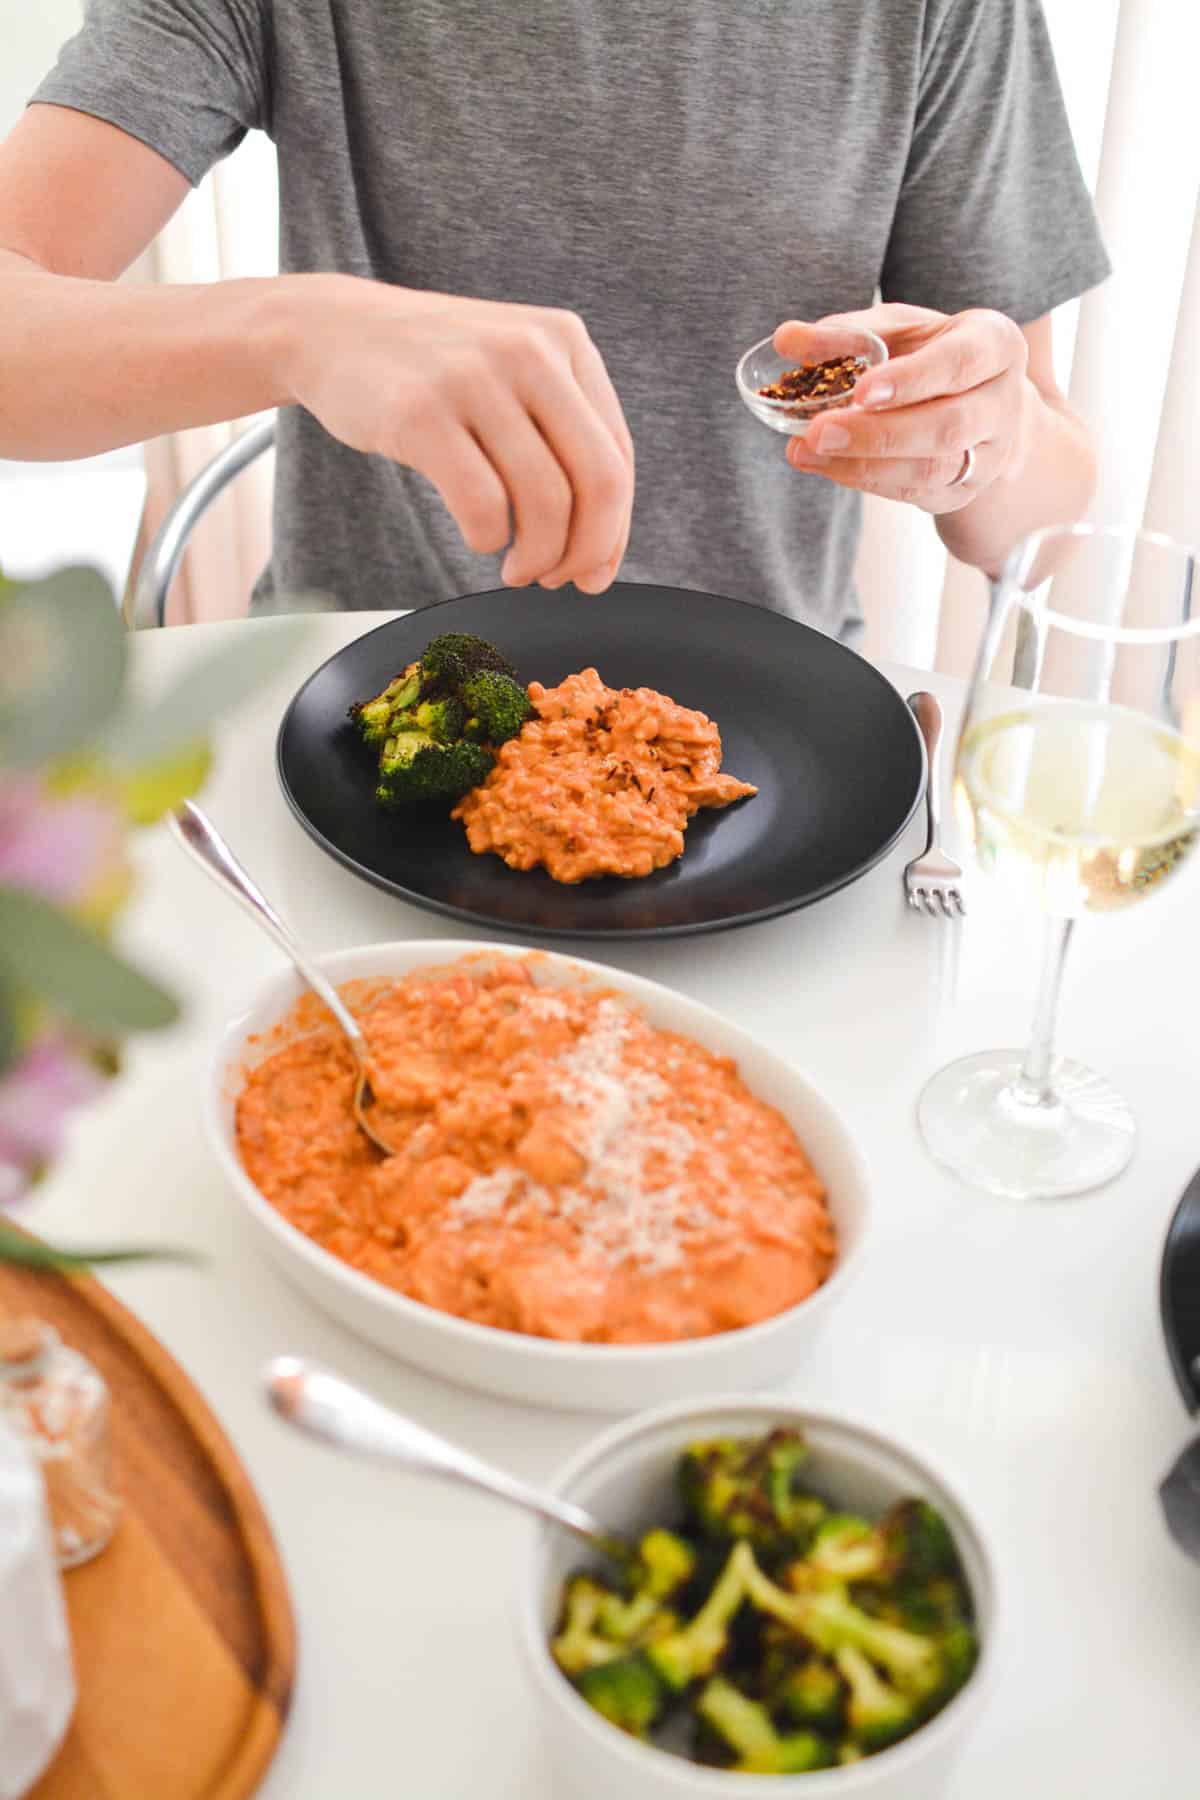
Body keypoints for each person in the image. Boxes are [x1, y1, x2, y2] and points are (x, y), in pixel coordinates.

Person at [0, 1, 1108, 638]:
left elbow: (1034, 522)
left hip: (777, 744)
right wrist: (301, 329)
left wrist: (981, 444)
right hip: (354, 710)